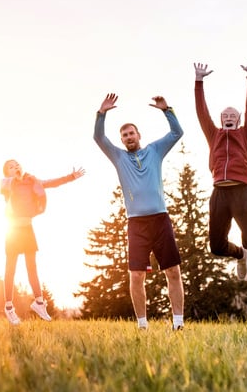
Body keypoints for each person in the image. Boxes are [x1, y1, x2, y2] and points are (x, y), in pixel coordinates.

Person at [93, 92, 186, 331]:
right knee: (136, 276)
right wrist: (101, 113)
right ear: (122, 140)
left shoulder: (155, 151)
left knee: (173, 271)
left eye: (131, 133)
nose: (128, 137)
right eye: (124, 135)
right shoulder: (119, 157)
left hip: (160, 219)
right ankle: (142, 326)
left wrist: (167, 110)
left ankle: (178, 323)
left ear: (138, 135)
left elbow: (177, 133)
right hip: (136, 224)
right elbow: (99, 137)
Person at [0, 160, 84, 325]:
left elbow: (52, 183)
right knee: (10, 269)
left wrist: (71, 176)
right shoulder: (6, 184)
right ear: (7, 173)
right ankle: (9, 307)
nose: (16, 167)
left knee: (32, 268)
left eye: (17, 164)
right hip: (12, 230)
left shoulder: (32, 182)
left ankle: (39, 303)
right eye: (11, 166)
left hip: (27, 229)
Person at [194, 58, 247, 287]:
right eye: (224, 116)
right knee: (215, 246)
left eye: (232, 116)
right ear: (220, 121)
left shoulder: (246, 135)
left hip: (243, 191)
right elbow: (201, 113)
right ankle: (240, 255)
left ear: (238, 121)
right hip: (220, 193)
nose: (228, 118)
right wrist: (198, 82)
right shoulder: (213, 135)